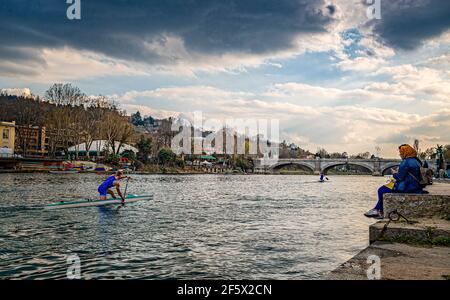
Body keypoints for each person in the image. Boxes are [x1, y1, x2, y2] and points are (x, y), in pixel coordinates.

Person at [365, 144, 423, 219]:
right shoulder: (417, 161)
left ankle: (379, 211)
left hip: (408, 187)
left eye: (401, 152)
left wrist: (394, 173)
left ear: (405, 152)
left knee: (381, 190)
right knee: (384, 189)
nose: (400, 154)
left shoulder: (406, 162)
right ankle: (378, 210)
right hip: (416, 186)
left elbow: (399, 177)